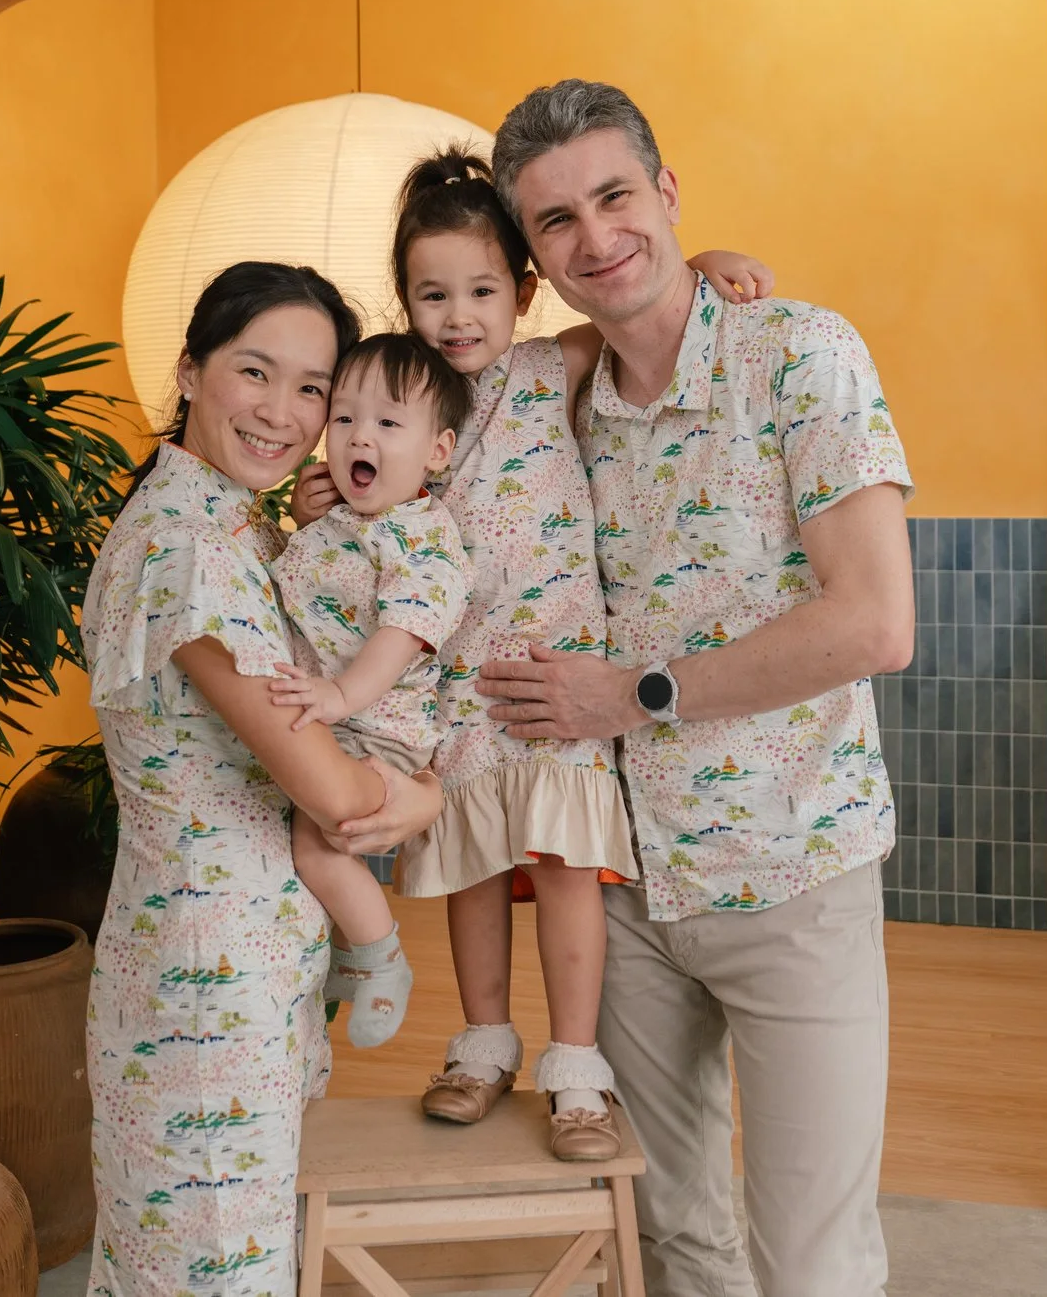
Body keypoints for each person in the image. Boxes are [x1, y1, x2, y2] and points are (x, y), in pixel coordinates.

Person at [475, 81, 917, 1296]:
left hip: (792, 869)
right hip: (619, 887)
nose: (595, 236)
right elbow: (394, 403)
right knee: (669, 1235)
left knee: (812, 1256)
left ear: (668, 193)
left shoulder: (799, 353)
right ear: (532, 254)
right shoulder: (542, 398)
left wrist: (632, 693)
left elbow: (875, 622)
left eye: (616, 195)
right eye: (555, 220)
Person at [286, 149, 772, 1162]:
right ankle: (481, 1044)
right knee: (470, 868)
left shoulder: (552, 364)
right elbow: (344, 487)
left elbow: (645, 311)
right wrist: (320, 493)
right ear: (405, 299)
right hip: (453, 692)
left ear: (522, 290)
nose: (457, 315)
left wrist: (710, 254)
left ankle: (578, 1068)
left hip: (557, 683)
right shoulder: (396, 399)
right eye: (431, 294)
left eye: (479, 290)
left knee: (563, 868)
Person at [79, 262, 446, 1297]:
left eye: (311, 388)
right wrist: (427, 796)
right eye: (255, 371)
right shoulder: (192, 548)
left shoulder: (236, 528)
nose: (282, 413)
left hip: (240, 960)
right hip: (206, 985)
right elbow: (331, 790)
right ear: (190, 369)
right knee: (208, 1271)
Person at [267, 332, 475, 1050]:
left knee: (319, 844)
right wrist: (302, 517)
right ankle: (349, 955)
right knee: (313, 846)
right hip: (335, 711)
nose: (361, 436)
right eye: (346, 418)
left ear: (437, 451)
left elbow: (402, 633)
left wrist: (339, 696)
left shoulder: (422, 539)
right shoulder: (346, 523)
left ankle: (381, 957)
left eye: (389, 423)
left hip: (373, 720)